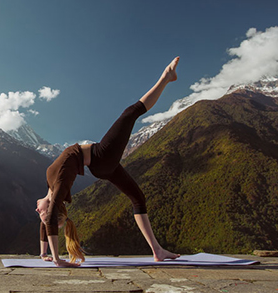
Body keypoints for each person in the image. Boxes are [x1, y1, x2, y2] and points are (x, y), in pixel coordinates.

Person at [36, 57, 181, 267]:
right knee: (131, 113)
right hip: (101, 157)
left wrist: (43, 254)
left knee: (138, 198)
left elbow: (45, 224)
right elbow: (48, 220)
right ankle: (166, 78)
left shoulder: (50, 186)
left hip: (100, 166)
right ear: (50, 208)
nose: (36, 210)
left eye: (39, 213)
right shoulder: (58, 184)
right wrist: (57, 260)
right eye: (41, 212)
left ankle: (157, 251)